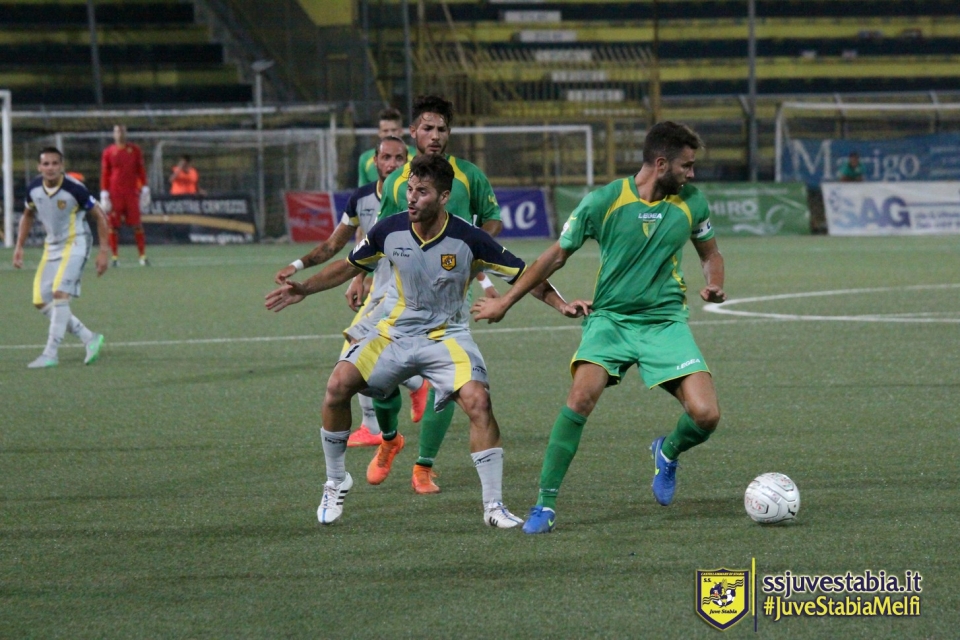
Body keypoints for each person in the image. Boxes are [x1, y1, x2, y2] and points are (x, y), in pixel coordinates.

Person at [265, 154, 582, 527]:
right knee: (337, 386)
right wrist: (304, 287)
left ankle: (493, 507)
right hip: (394, 332)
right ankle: (336, 482)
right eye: (411, 189)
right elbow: (349, 267)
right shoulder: (389, 229)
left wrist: (561, 304)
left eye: (423, 192)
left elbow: (525, 275)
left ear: (444, 197)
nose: (412, 198)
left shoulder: (470, 237)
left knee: (478, 402)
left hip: (446, 336)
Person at [472, 121, 727, 534]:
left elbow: (710, 253)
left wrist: (715, 283)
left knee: (706, 415)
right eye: (686, 165)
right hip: (610, 320)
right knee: (579, 399)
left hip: (664, 322)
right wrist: (505, 301)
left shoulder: (692, 202)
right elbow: (554, 256)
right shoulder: (603, 201)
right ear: (661, 164)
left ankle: (667, 451)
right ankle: (544, 504)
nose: (692, 174)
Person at [368, 94, 502, 494]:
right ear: (413, 131)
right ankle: (389, 439)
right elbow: (378, 238)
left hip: (449, 298)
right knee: (377, 380)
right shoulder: (398, 182)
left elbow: (492, 220)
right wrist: (359, 279)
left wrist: (474, 251)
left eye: (442, 129)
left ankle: (423, 466)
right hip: (399, 293)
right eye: (427, 128)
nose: (436, 136)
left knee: (447, 384)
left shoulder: (469, 176)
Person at [274, 135, 429, 449]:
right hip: (379, 285)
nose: (392, 164)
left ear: (408, 162)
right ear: (375, 161)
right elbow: (339, 245)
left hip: (402, 290)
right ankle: (412, 387)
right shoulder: (361, 198)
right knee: (364, 356)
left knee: (353, 356)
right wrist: (300, 266)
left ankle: (380, 426)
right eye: (386, 157)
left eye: (399, 158)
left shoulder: (412, 198)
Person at [13, 147, 110, 368]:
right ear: (39, 167)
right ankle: (89, 337)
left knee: (59, 294)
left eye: (55, 163)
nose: (50, 168)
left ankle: (50, 353)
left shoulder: (75, 189)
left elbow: (100, 215)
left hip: (76, 243)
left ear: (62, 166)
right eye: (46, 164)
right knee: (40, 300)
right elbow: (27, 215)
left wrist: (104, 251)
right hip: (52, 247)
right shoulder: (33, 189)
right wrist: (19, 246)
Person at [100, 124, 151, 266]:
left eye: (122, 131)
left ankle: (142, 256)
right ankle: (115, 257)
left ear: (126, 133)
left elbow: (140, 170)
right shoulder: (108, 152)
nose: (120, 134)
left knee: (137, 224)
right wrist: (104, 192)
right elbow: (105, 173)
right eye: (117, 131)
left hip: (131, 192)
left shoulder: (134, 150)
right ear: (113, 134)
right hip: (115, 193)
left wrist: (145, 187)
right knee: (113, 225)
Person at [356, 107, 416, 187]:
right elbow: (362, 190)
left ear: (401, 131)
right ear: (379, 133)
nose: (390, 134)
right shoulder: (365, 159)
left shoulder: (415, 156)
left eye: (394, 130)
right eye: (385, 130)